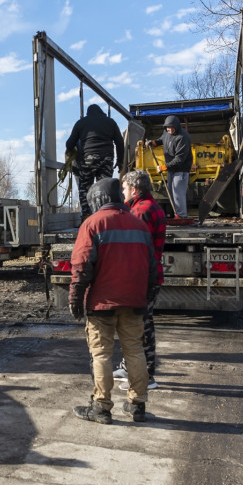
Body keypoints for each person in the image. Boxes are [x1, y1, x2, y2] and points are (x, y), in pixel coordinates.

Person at [69, 178, 158, 425]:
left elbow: (82, 265)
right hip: (134, 302)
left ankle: (101, 407)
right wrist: (147, 295)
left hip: (101, 304)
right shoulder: (139, 226)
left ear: (98, 200)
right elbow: (152, 267)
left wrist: (75, 296)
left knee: (102, 355)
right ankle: (137, 405)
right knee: (135, 351)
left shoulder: (93, 224)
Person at [114, 170, 166, 391]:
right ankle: (129, 368)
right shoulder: (146, 206)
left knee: (141, 327)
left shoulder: (141, 211)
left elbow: (131, 246)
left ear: (134, 190)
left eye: (124, 188)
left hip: (142, 278)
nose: (122, 192)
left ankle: (146, 376)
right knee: (138, 324)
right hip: (147, 275)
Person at [65, 104, 125, 220]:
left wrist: (74, 153)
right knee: (105, 188)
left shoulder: (81, 123)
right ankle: (104, 216)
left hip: (88, 159)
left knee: (85, 188)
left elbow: (69, 144)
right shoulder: (110, 122)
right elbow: (119, 142)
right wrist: (120, 161)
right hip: (107, 159)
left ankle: (86, 215)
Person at [147, 115, 192, 219]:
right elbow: (162, 140)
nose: (170, 130)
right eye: (168, 127)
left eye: (172, 127)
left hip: (181, 170)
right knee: (172, 193)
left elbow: (180, 159)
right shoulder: (166, 133)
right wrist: (154, 142)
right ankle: (177, 215)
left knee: (178, 194)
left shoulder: (183, 137)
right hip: (171, 170)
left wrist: (164, 167)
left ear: (177, 126)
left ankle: (182, 216)